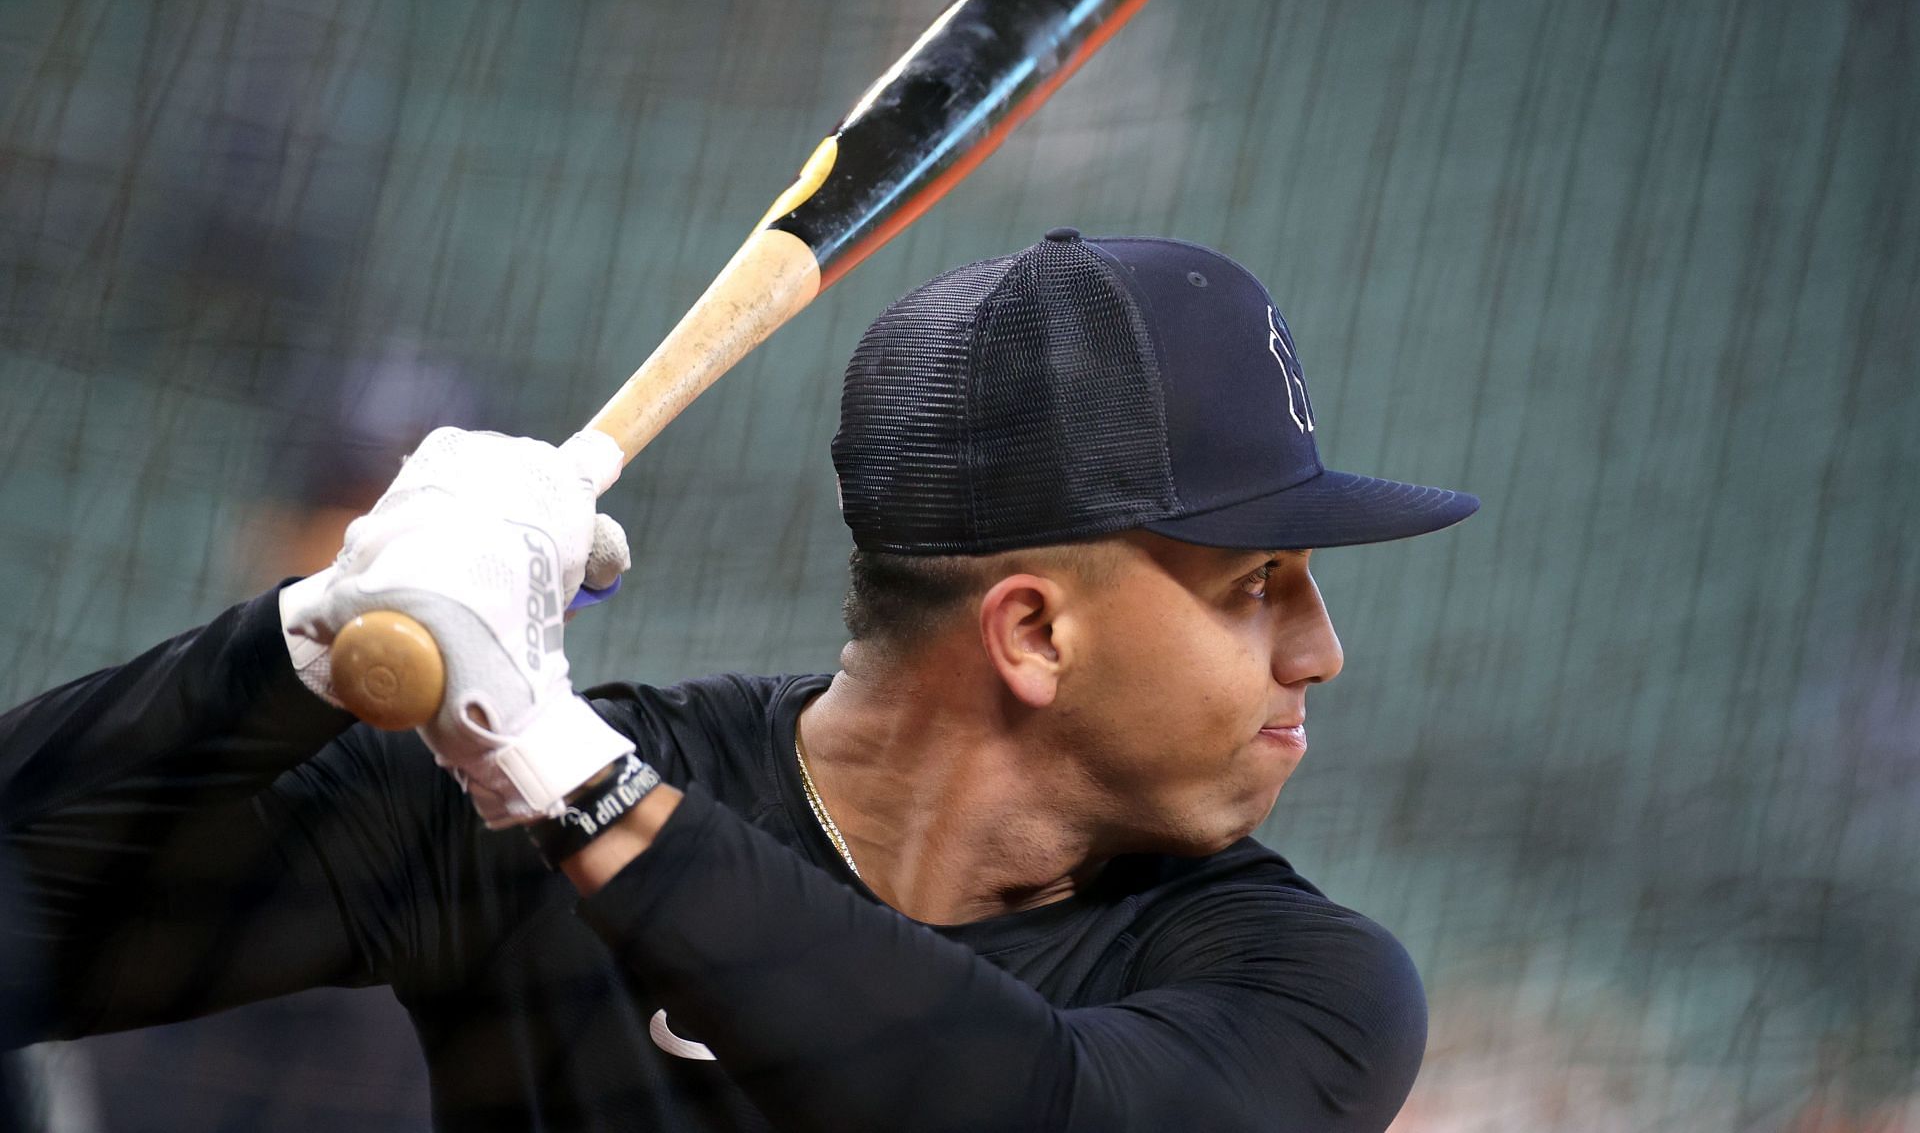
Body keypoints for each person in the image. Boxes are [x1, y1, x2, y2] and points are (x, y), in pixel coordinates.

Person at [0, 228, 1478, 1132]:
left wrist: (571, 781)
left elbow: (1035, 1109)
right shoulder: (500, 810)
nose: (1319, 648)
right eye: (1256, 587)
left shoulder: (1299, 979)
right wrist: (294, 644)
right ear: (1031, 635)